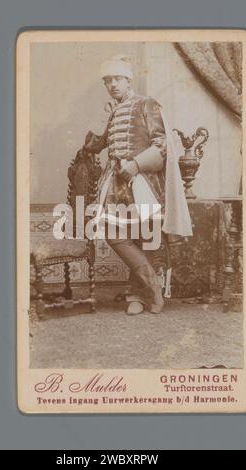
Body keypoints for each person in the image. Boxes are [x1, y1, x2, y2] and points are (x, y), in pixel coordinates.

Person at [83, 54, 192, 315]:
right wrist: (103, 118)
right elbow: (92, 146)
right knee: (115, 235)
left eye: (117, 79)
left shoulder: (147, 104)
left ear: (128, 79)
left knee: (146, 237)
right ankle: (152, 286)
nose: (112, 85)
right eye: (107, 81)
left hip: (142, 180)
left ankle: (137, 295)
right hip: (114, 184)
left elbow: (163, 144)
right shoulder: (111, 111)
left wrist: (136, 165)